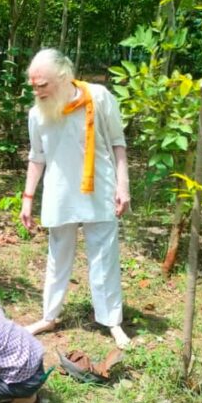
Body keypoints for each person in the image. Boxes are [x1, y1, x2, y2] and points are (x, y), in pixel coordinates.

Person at [20, 48, 131, 349]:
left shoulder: (98, 97)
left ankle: (112, 321)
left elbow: (118, 144)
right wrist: (27, 198)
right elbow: (36, 157)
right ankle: (49, 315)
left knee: (104, 256)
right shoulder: (36, 113)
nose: (37, 91)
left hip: (100, 188)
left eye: (42, 85)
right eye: (33, 85)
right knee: (58, 256)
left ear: (64, 76)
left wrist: (123, 186)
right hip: (59, 193)